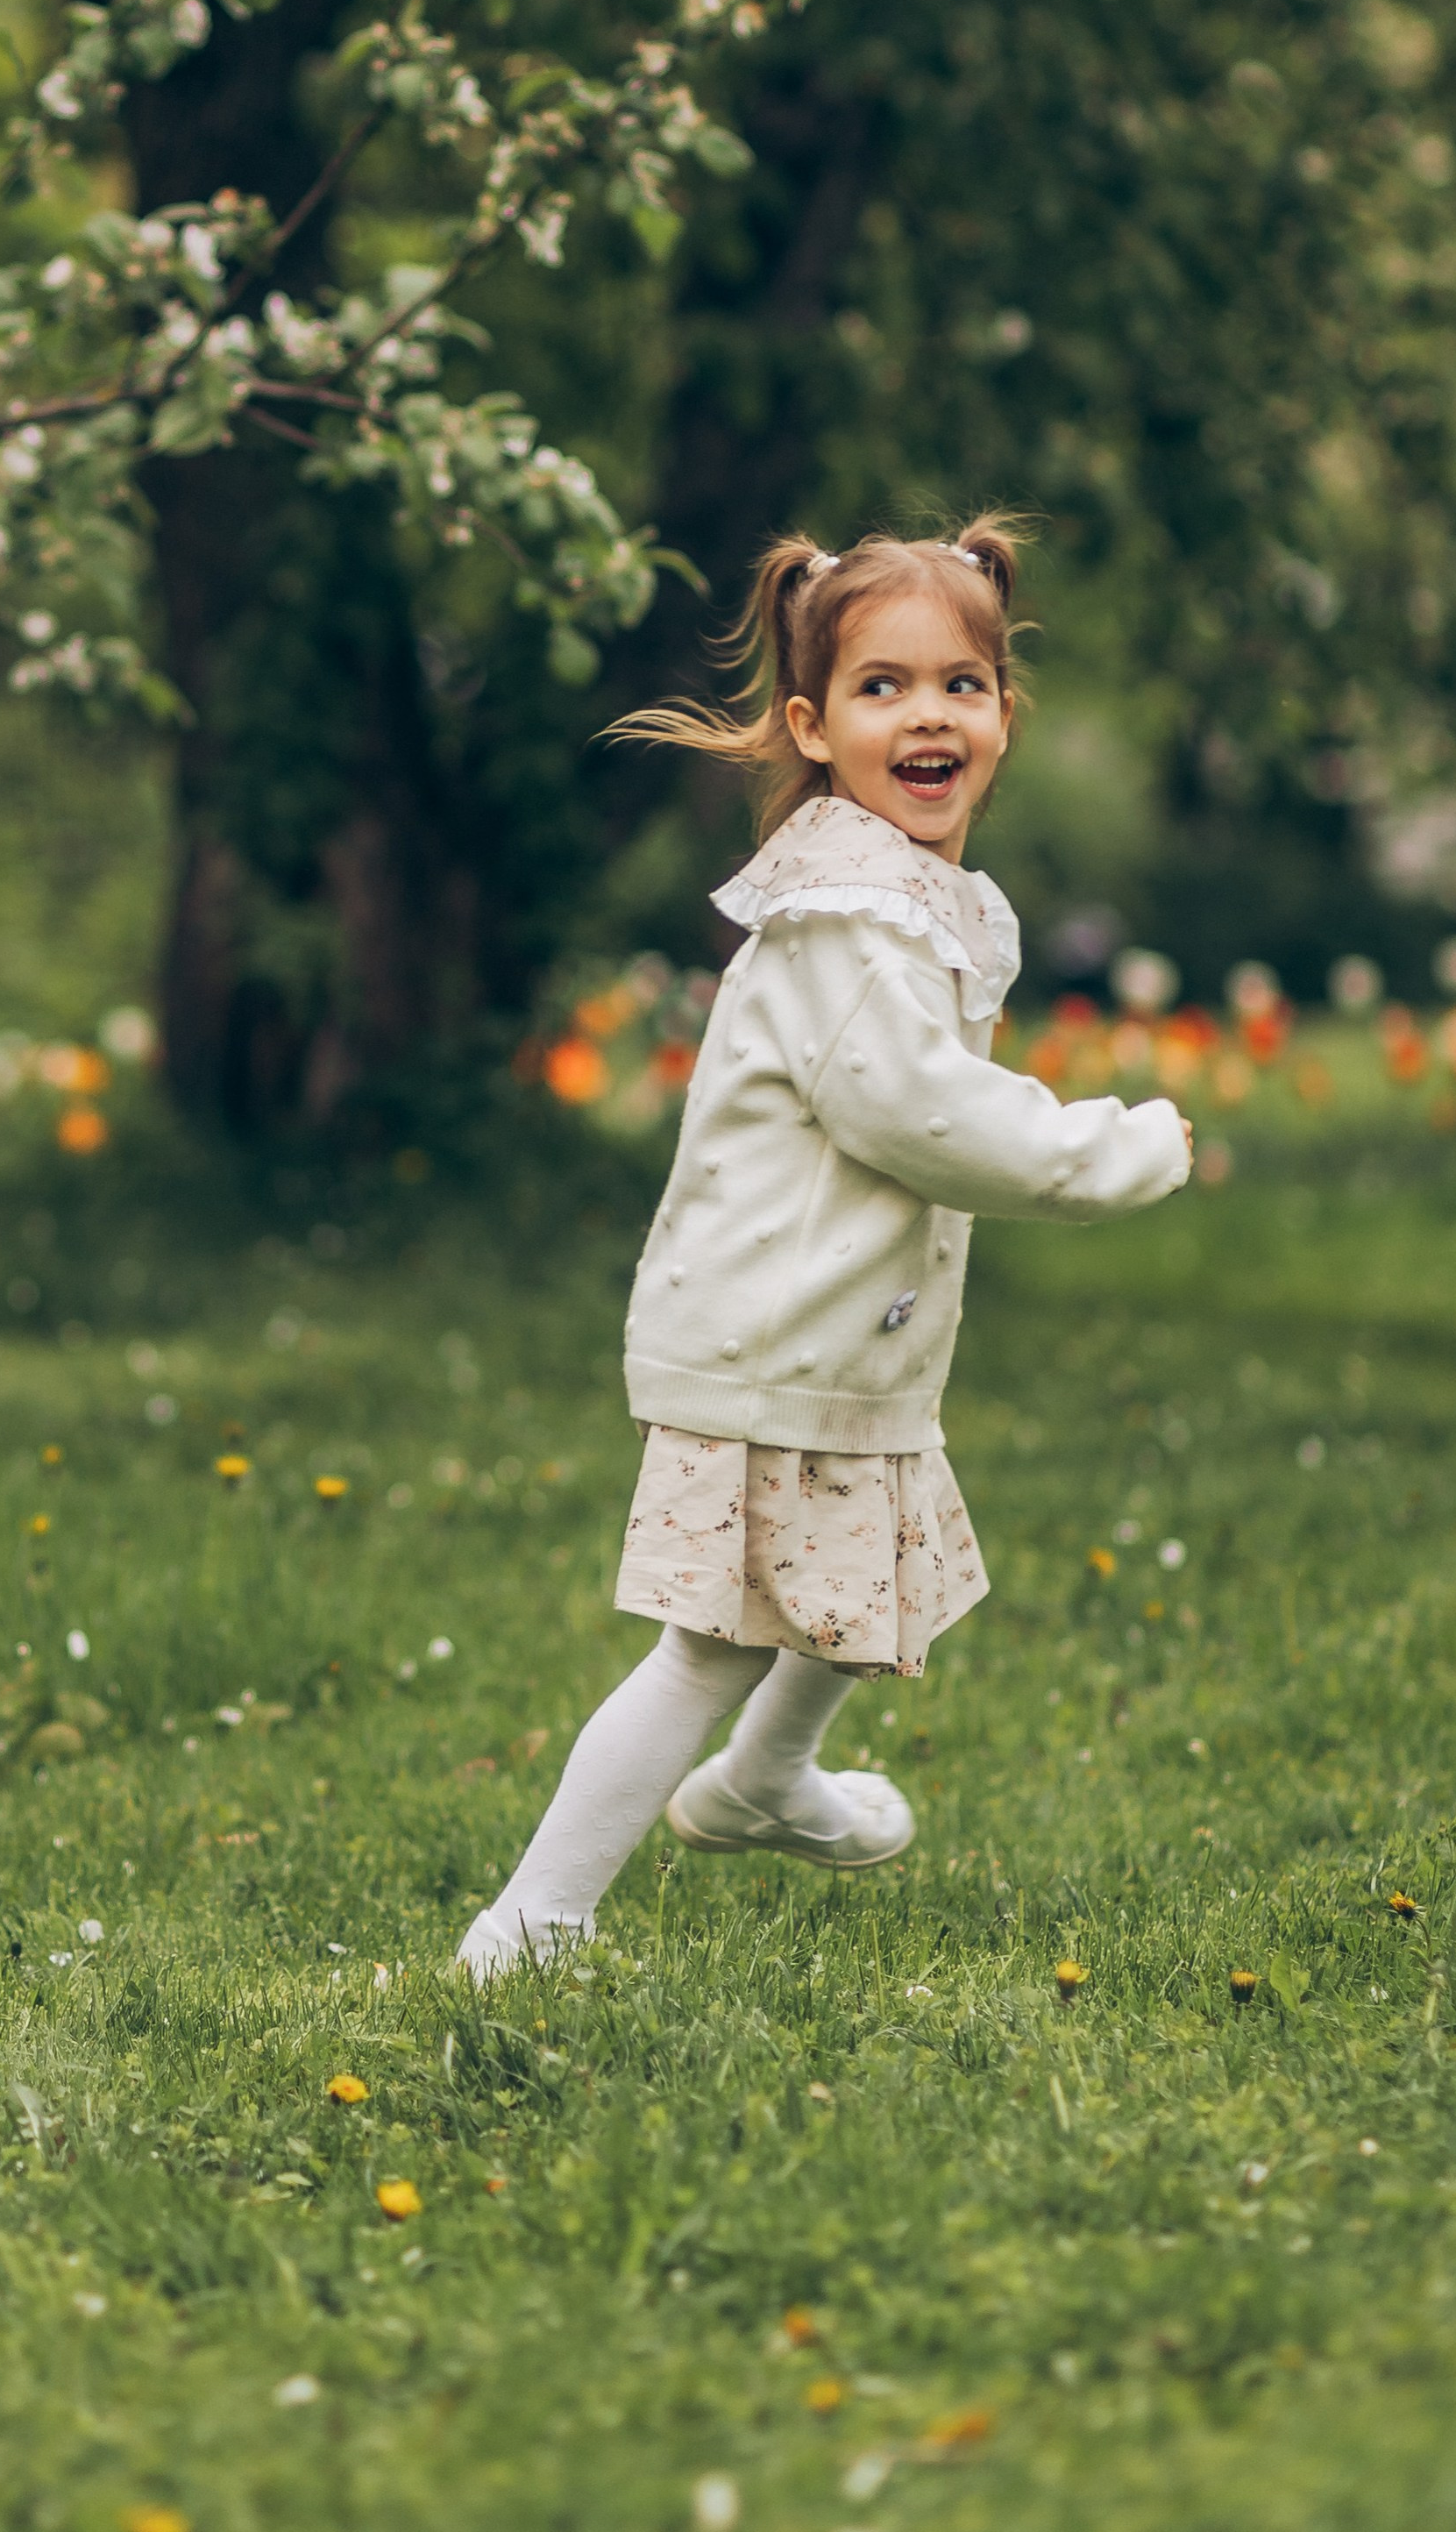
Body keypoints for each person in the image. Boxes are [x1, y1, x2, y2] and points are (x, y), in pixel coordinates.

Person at [457, 518, 1192, 1982]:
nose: (928, 714)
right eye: (881, 687)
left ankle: (758, 1785)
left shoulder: (893, 896)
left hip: (835, 1329)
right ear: (810, 723)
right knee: (711, 1647)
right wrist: (1108, 1151)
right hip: (772, 1335)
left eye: (962, 683)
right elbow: (917, 1115)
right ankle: (528, 1927)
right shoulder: (843, 921)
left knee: (862, 1585)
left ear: (1000, 714)